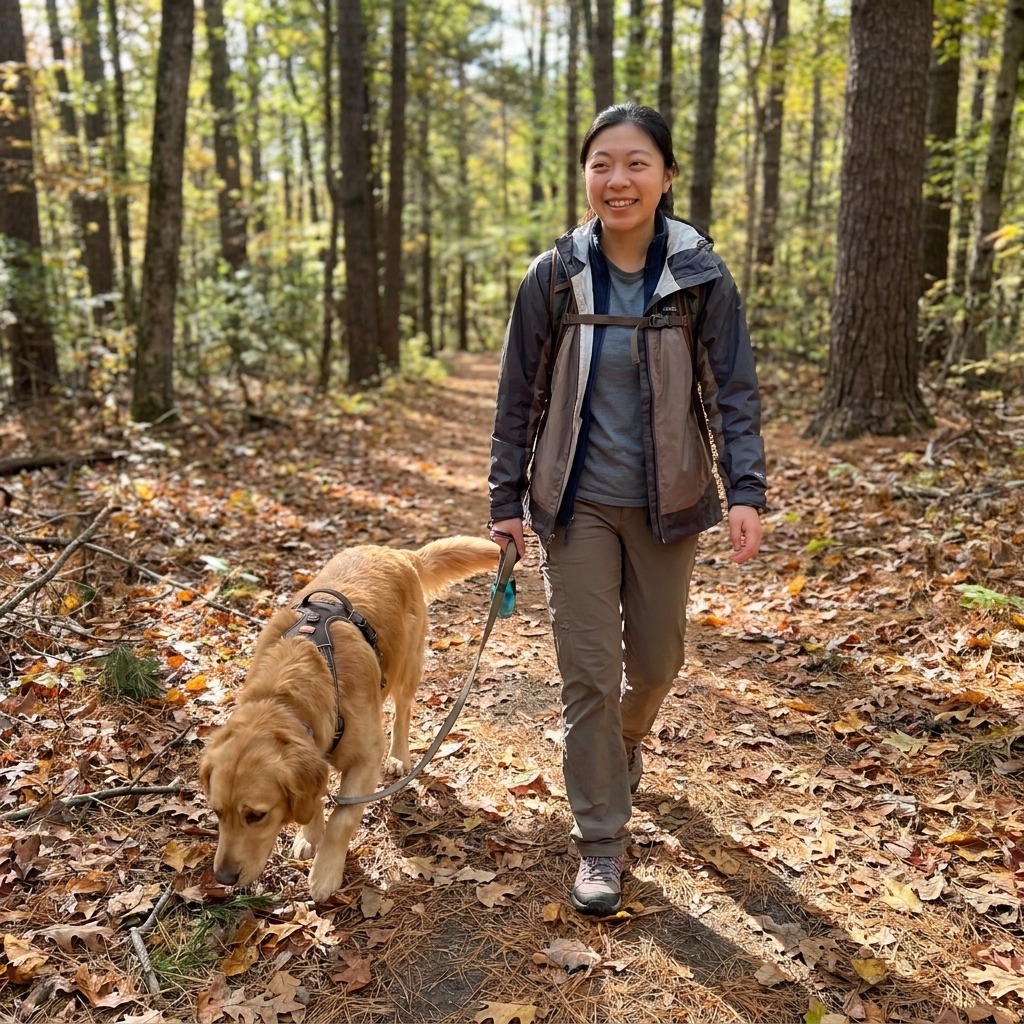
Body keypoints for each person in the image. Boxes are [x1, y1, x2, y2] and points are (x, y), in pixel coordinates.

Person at [488, 103, 767, 915]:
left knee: (655, 667)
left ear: (667, 176)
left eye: (637, 163)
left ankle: (628, 744)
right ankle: (601, 841)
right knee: (587, 679)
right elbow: (517, 399)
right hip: (572, 508)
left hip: (668, 505)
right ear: (585, 177)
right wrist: (505, 502)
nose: (619, 179)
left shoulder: (700, 277)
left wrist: (745, 488)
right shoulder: (553, 276)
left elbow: (733, 393)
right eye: (603, 163)